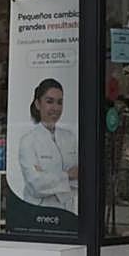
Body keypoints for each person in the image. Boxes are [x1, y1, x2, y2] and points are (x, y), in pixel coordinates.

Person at [16, 77, 79, 210]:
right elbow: (35, 185)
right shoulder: (28, 141)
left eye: (59, 102)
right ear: (38, 104)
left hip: (68, 211)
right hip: (39, 212)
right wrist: (67, 175)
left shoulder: (70, 138)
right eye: (49, 101)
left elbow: (80, 179)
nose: (55, 108)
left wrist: (48, 178)